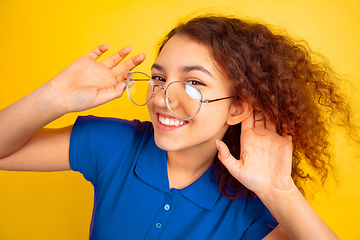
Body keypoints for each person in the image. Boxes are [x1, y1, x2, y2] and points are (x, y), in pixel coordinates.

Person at [0, 15, 351, 239]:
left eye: (194, 83)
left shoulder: (250, 209)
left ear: (237, 108)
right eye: (158, 77)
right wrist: (56, 96)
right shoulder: (116, 145)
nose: (162, 98)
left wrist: (279, 192)